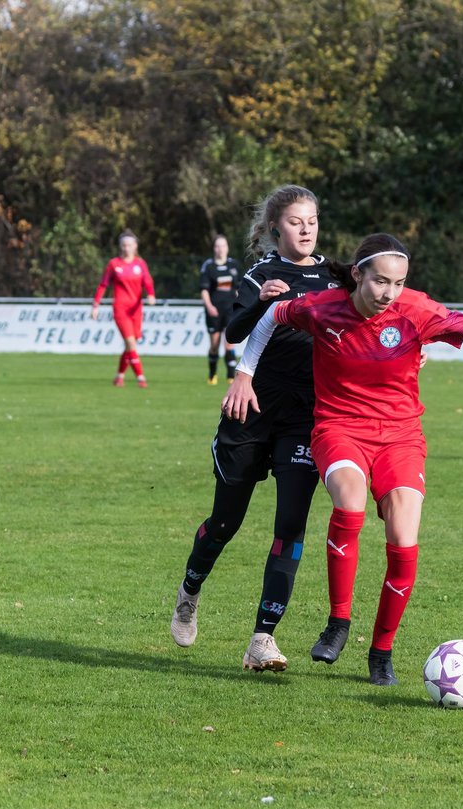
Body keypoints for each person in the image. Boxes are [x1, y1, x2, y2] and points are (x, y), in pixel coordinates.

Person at [222, 233, 463, 685]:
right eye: (380, 282)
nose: (388, 293)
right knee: (350, 502)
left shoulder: (416, 310)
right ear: (358, 275)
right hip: (339, 429)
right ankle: (338, 623)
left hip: (401, 438)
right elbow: (269, 319)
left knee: (403, 536)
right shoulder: (322, 308)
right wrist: (244, 374)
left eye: (397, 284)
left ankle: (381, 653)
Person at [170, 185, 340, 673]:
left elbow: (370, 311)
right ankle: (189, 591)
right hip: (251, 411)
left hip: (305, 417)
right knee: (227, 520)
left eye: (312, 220)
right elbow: (235, 330)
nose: (305, 228)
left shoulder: (335, 278)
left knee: (290, 525)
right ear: (274, 229)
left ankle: (262, 639)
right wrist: (260, 302)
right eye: (295, 221)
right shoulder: (259, 274)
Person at [90, 230, 156, 388]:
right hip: (120, 309)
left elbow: (147, 281)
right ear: (120, 247)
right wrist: (95, 305)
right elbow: (103, 285)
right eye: (124, 245)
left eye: (130, 245)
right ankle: (141, 377)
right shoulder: (114, 264)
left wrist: (151, 294)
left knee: (129, 346)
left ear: (135, 246)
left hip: (136, 310)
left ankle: (119, 377)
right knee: (131, 344)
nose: (127, 248)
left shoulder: (140, 264)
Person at [199, 235, 242, 385]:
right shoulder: (208, 266)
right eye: (217, 246)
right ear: (214, 248)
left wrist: (240, 305)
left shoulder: (234, 265)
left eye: (223, 246)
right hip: (214, 311)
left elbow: (238, 289)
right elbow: (204, 290)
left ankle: (231, 376)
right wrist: (209, 306)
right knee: (214, 345)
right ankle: (212, 373)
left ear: (227, 248)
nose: (220, 249)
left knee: (229, 343)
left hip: (230, 310)